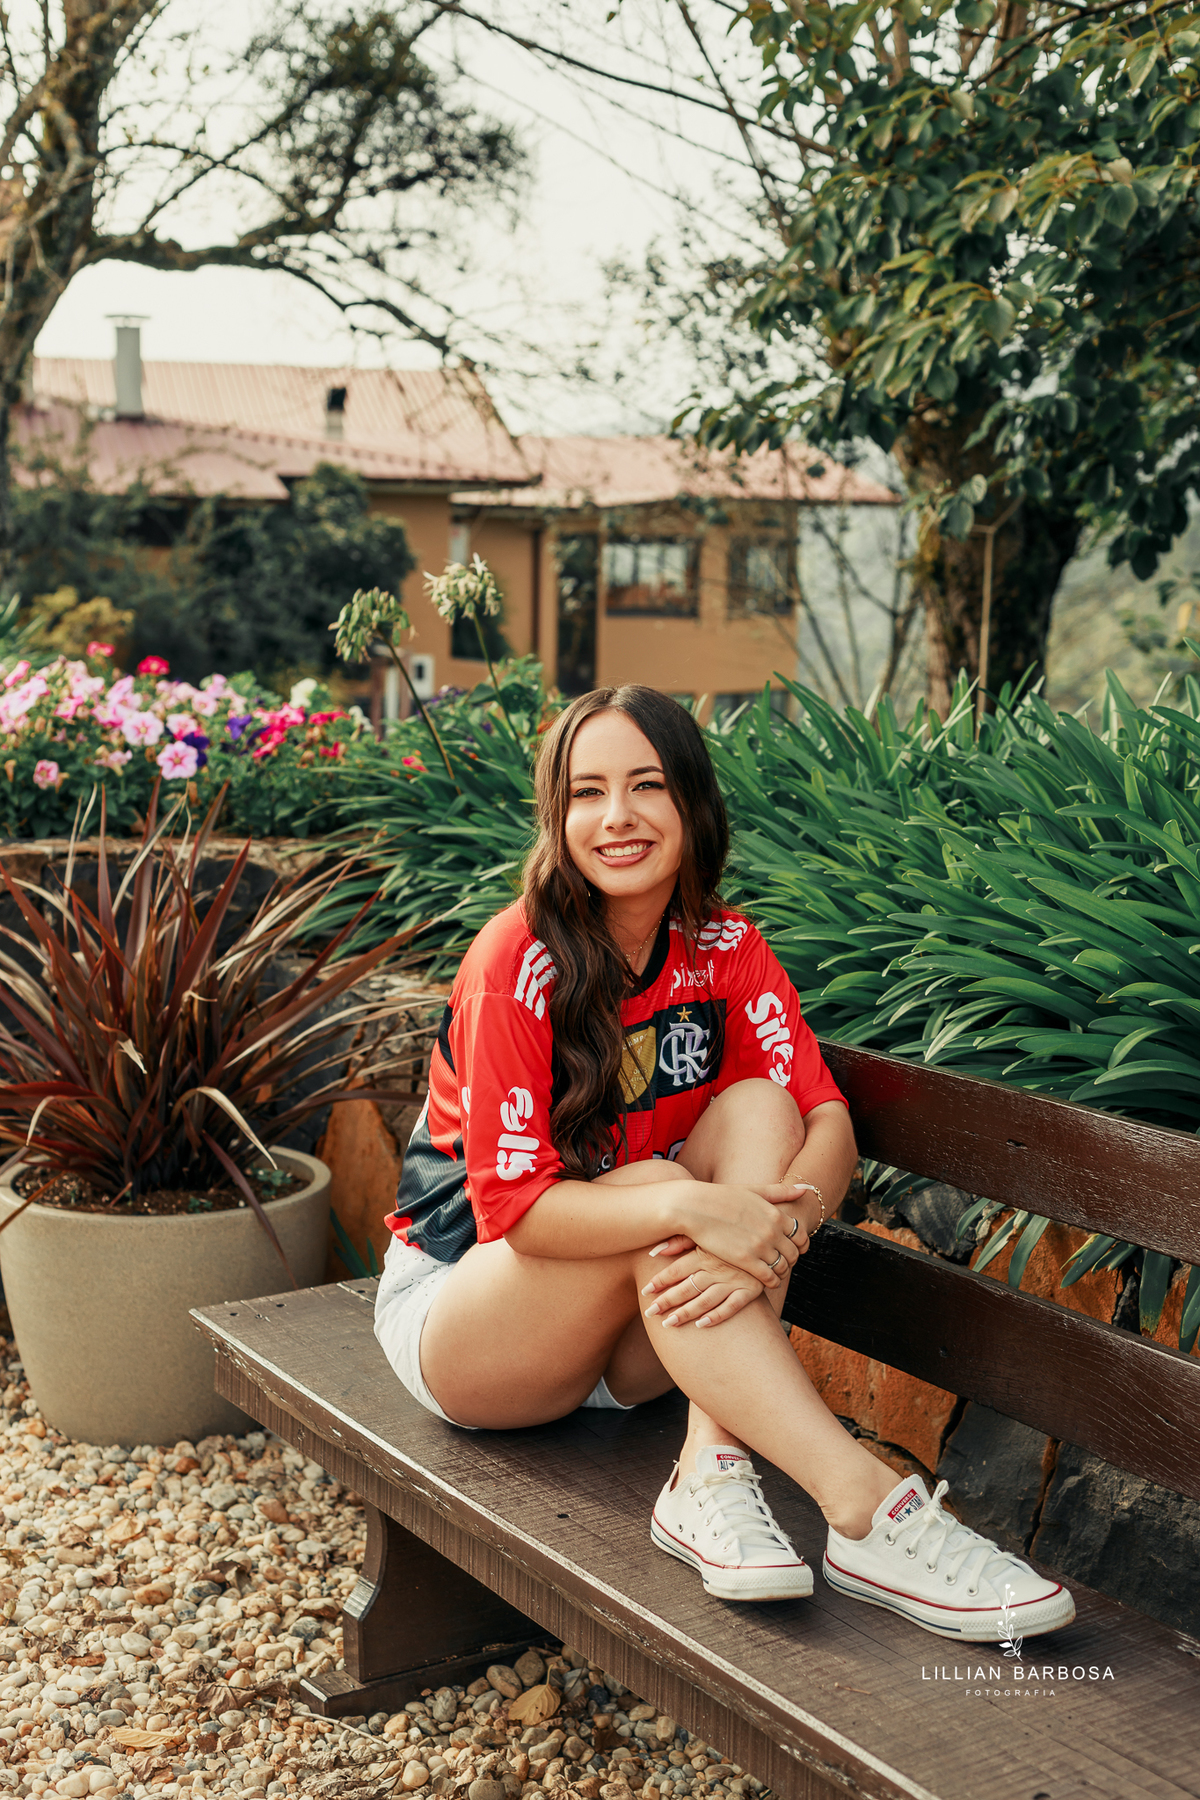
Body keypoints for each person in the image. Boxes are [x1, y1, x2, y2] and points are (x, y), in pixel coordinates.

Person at [374, 685, 1074, 1642]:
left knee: (758, 1105)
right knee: (668, 1191)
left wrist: (780, 1224)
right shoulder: (519, 960)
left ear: (693, 804)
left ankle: (709, 1463)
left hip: (646, 1326)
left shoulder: (725, 949)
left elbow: (825, 1118)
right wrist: (702, 1216)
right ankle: (867, 1507)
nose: (616, 817)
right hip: (469, 1321)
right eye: (586, 792)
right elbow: (512, 1212)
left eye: (646, 785)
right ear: (558, 816)